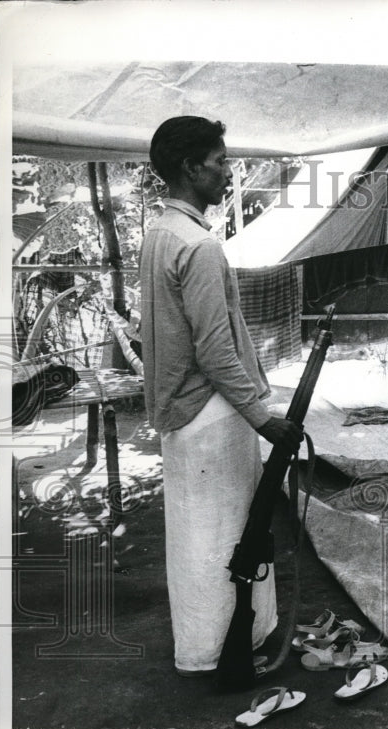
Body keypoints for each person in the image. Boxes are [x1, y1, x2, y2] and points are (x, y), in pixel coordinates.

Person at [139, 116, 302, 676]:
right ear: (191, 167)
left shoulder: (161, 234)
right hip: (213, 414)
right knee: (234, 538)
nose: (228, 174)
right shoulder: (200, 246)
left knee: (201, 540)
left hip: (184, 417)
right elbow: (214, 350)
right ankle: (232, 649)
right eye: (220, 162)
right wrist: (262, 418)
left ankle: (205, 649)